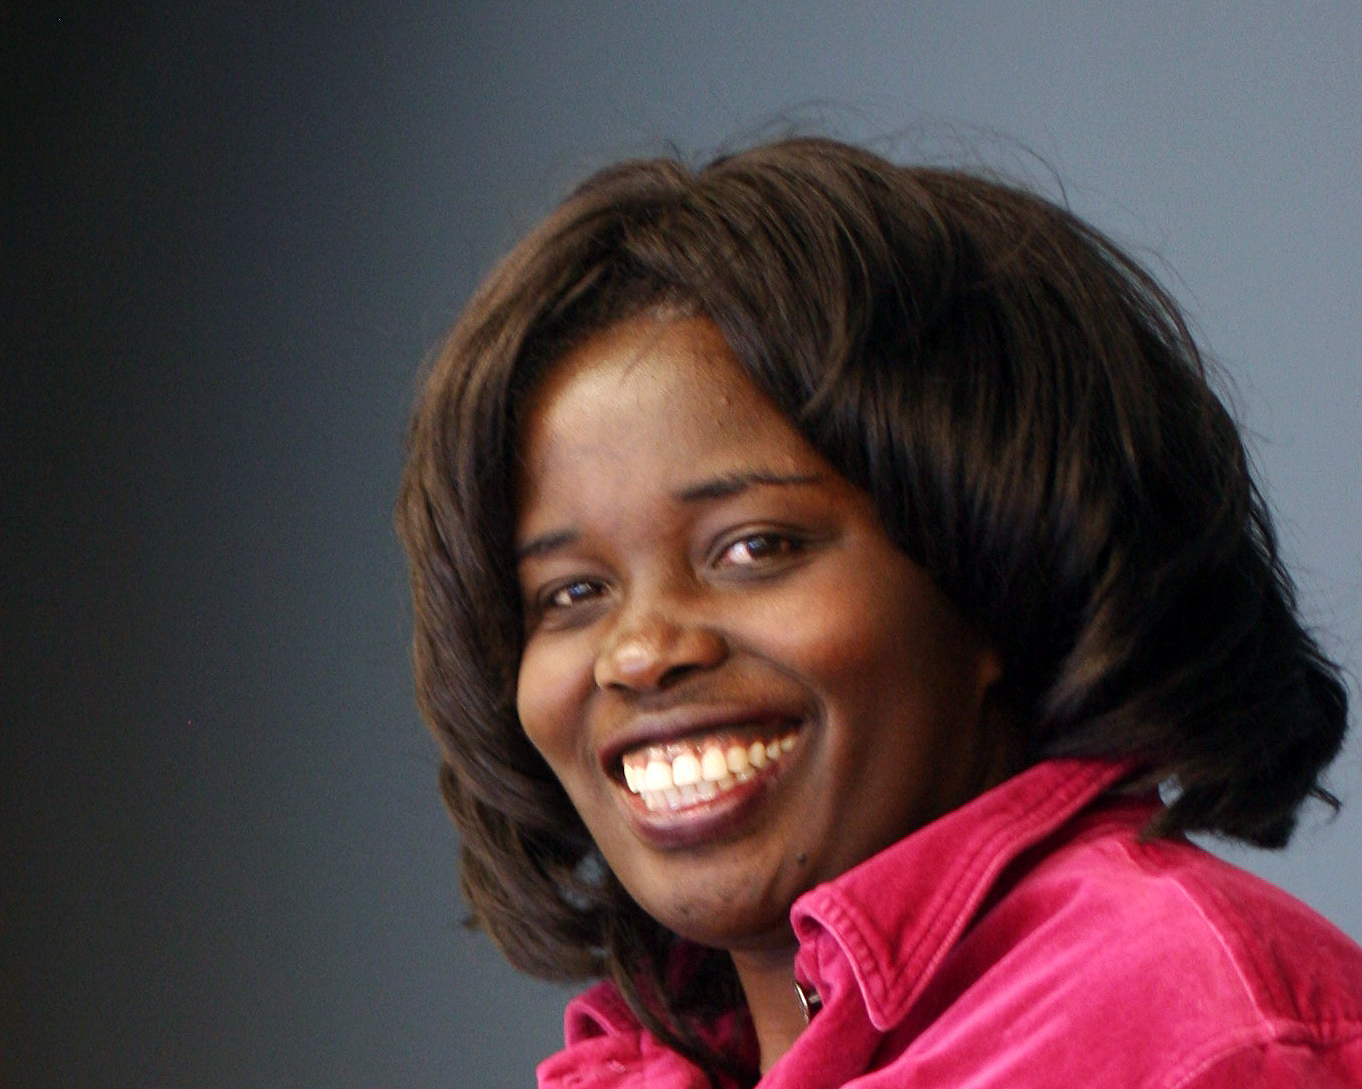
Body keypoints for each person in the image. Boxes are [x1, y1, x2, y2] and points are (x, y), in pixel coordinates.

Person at [395, 136, 1362, 1087]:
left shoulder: (1197, 1037)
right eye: (570, 593)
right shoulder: (640, 1064)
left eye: (753, 547)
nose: (639, 652)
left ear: (999, 563)